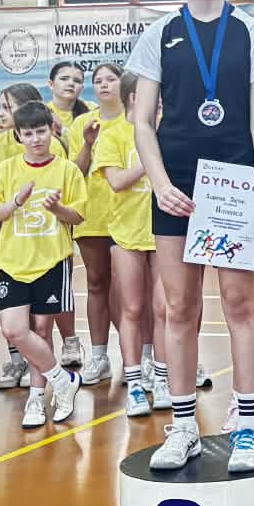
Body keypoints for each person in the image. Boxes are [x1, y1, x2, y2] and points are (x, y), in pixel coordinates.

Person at [127, 0, 254, 472]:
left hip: (232, 185)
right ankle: (184, 426)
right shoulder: (159, 34)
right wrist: (159, 183)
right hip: (177, 187)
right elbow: (142, 122)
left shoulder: (252, 33)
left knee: (240, 305)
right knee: (178, 308)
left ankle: (248, 426)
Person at [0, 100, 85, 432]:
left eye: (41, 132)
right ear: (18, 136)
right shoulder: (7, 169)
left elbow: (78, 216)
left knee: (42, 330)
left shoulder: (67, 169)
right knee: (14, 330)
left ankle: (37, 397)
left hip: (52, 260)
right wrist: (15, 202)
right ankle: (64, 380)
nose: (36, 139)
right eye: (28, 134)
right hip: (13, 262)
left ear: (51, 131)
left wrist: (57, 210)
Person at [93, 72, 159, 418]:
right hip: (127, 232)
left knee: (164, 309)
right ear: (135, 97)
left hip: (164, 232)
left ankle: (162, 377)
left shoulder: (168, 133)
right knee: (131, 308)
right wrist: (148, 160)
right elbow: (117, 181)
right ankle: (134, 383)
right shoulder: (114, 134)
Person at [66, 62, 124, 384]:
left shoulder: (136, 121)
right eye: (98, 80)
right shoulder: (82, 124)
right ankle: (100, 356)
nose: (104, 85)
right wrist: (88, 143)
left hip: (129, 214)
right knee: (97, 283)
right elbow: (75, 172)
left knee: (132, 291)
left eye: (110, 79)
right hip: (93, 214)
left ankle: (142, 357)